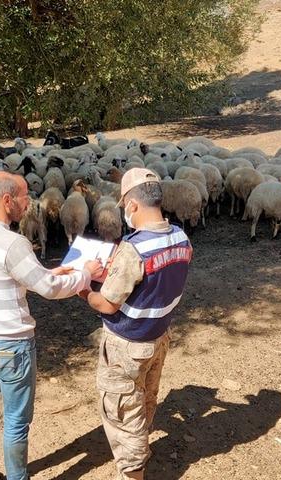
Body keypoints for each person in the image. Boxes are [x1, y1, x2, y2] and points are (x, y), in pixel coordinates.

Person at [0, 171, 103, 480]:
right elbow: (49, 289)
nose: (30, 202)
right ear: (8, 200)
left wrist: (53, 271)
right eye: (25, 196)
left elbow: (19, 275)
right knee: (15, 421)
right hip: (12, 345)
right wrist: (85, 274)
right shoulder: (14, 243)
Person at [79, 168, 193, 479]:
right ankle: (139, 450)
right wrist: (118, 275)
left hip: (126, 346)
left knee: (122, 411)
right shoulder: (181, 237)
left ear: (132, 205)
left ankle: (132, 472)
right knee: (145, 398)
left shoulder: (134, 248)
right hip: (158, 338)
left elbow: (107, 302)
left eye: (123, 206)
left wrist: (84, 289)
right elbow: (155, 279)